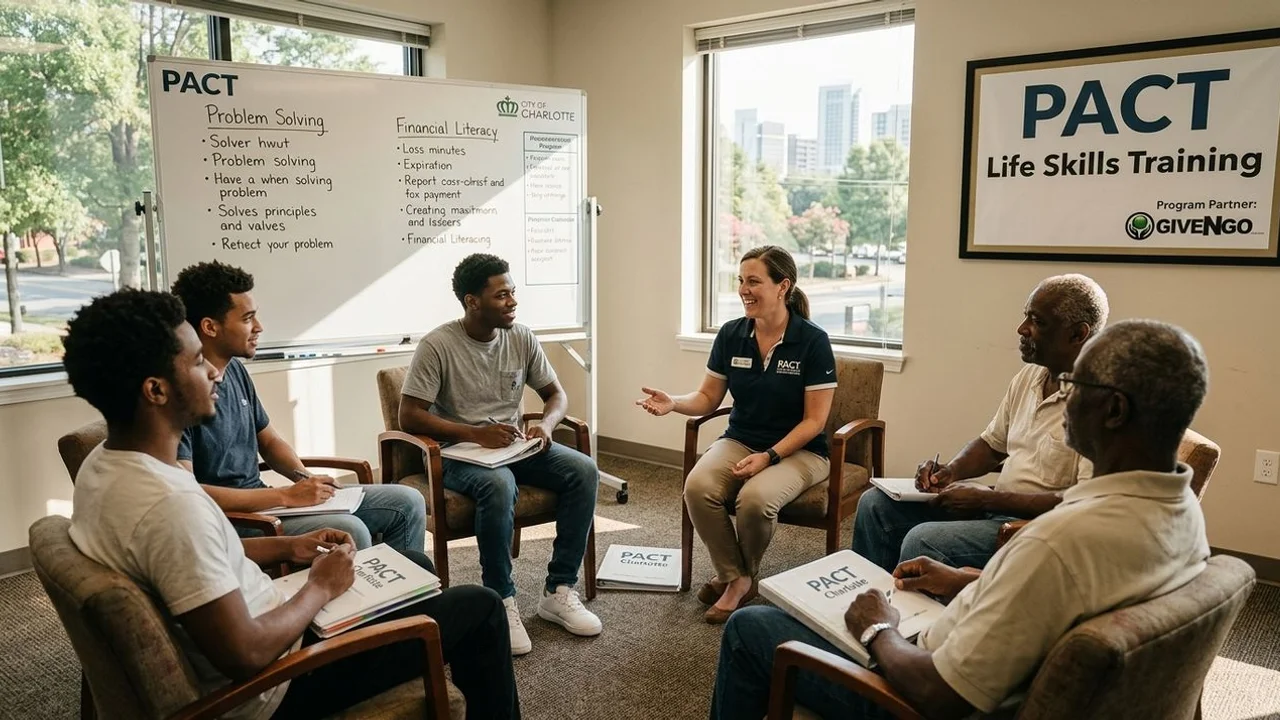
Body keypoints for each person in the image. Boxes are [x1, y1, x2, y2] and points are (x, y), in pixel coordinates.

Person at [710, 319, 1211, 719]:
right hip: (976, 648)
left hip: (916, 689)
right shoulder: (1181, 512)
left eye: (1076, 386)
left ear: (1115, 411)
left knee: (752, 627)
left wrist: (876, 630)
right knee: (882, 513)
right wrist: (968, 579)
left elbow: (939, 695)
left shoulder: (1056, 544)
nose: (1065, 397)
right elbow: (1061, 603)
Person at [64, 289, 519, 719]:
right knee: (479, 608)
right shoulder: (171, 505)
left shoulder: (104, 466)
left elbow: (194, 561)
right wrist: (319, 588)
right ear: (156, 391)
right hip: (277, 686)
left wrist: (287, 549)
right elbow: (246, 655)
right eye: (198, 361)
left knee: (413, 565)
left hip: (276, 626)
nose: (214, 372)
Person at [398, 253, 601, 656]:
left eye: (513, 293)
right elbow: (409, 416)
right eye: (501, 295)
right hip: (458, 453)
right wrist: (474, 432)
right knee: (498, 485)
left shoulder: (521, 336)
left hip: (513, 446)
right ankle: (501, 600)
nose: (512, 302)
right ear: (472, 301)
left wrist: (545, 424)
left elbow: (556, 395)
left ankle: (558, 591)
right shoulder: (438, 345)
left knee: (583, 470)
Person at [853, 274, 1108, 572]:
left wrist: (990, 500)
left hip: (1040, 530)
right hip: (996, 508)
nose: (1021, 329)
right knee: (875, 506)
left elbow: (1084, 502)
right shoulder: (1030, 377)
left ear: (1078, 334)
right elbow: (991, 446)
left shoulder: (1101, 403)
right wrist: (950, 471)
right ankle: (869, 606)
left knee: (924, 541)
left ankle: (917, 617)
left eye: (1037, 322)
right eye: (1025, 316)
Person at [171, 261, 427, 555]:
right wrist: (286, 496)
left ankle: (407, 598)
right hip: (231, 519)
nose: (259, 327)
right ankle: (365, 598)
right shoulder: (181, 394)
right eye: (248, 319)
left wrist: (304, 480)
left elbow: (269, 440)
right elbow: (190, 492)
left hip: (268, 499)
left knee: (408, 501)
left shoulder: (236, 371)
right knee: (349, 530)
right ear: (209, 327)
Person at [638, 245, 836, 624]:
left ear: (783, 286)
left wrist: (769, 457)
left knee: (756, 500)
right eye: (741, 281)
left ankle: (735, 580)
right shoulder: (732, 334)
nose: (744, 289)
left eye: (754, 281)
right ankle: (738, 577)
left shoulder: (812, 341)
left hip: (802, 451)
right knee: (697, 488)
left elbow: (814, 422)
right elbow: (708, 397)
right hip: (740, 439)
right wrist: (673, 402)